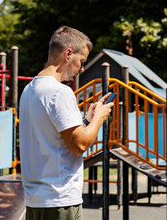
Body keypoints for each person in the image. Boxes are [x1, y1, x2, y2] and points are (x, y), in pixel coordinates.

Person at [19, 26, 114, 220]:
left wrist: (86, 120)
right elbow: (79, 145)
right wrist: (99, 118)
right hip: (59, 199)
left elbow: (55, 137)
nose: (81, 69)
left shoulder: (29, 90)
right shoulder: (60, 92)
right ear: (68, 53)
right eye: (81, 61)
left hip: (35, 200)